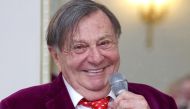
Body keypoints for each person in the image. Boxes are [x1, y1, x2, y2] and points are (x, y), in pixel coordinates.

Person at [0, 0, 177, 109]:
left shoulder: (159, 103)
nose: (96, 58)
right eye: (79, 47)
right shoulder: (17, 106)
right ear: (56, 56)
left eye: (104, 43)